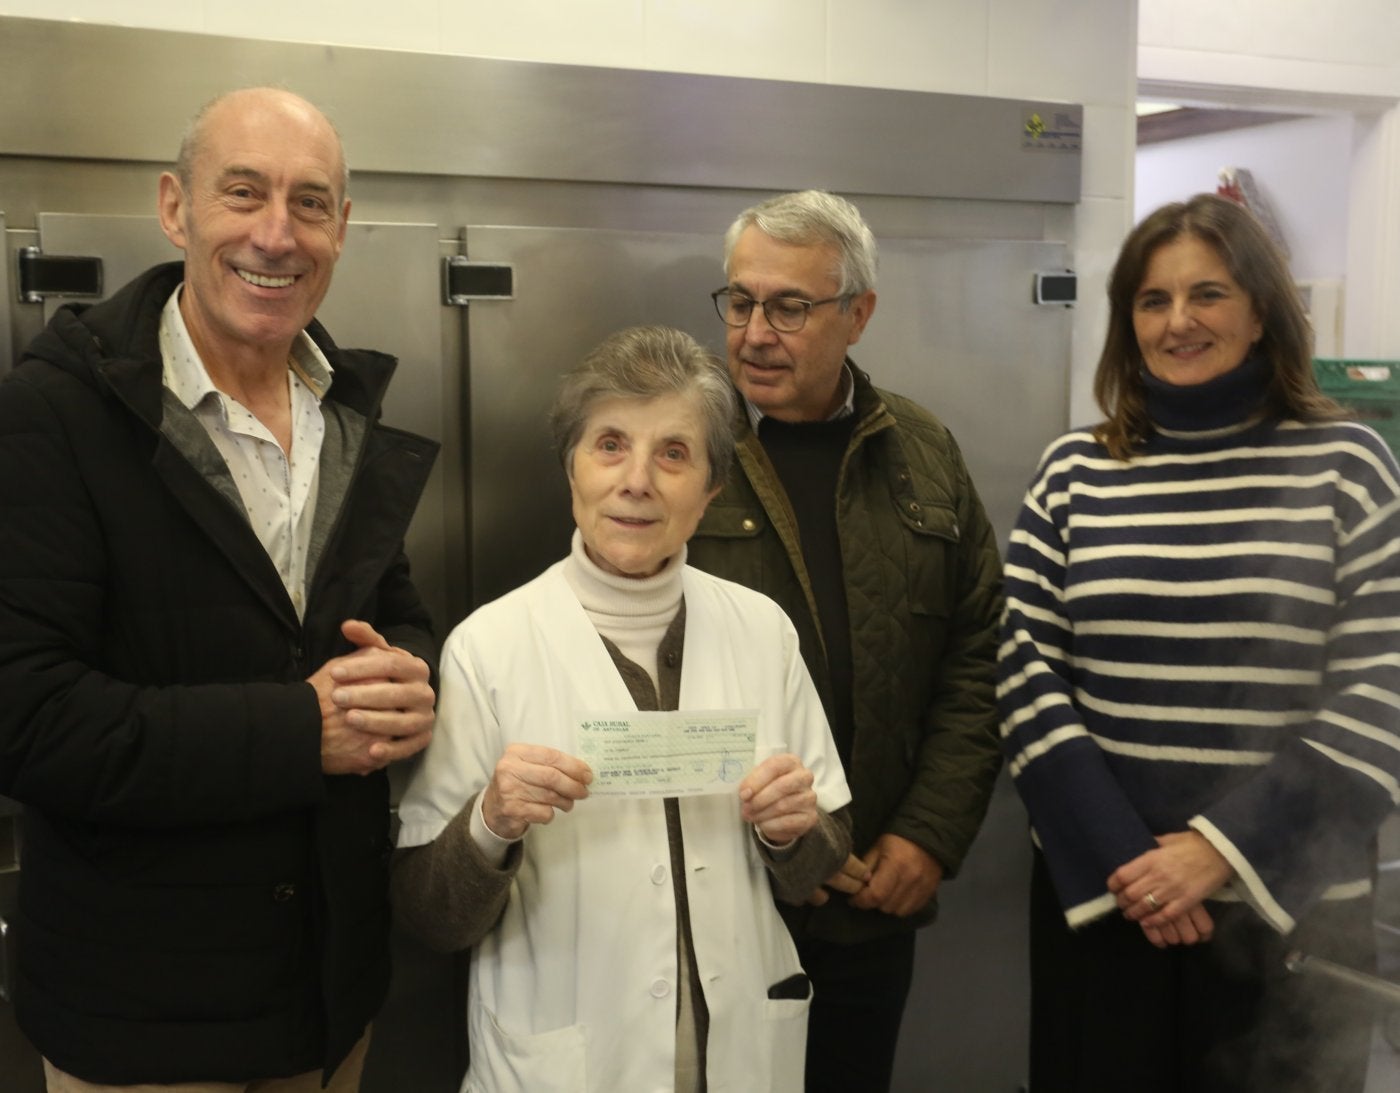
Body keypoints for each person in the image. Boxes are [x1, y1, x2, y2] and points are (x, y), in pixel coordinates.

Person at [0, 88, 439, 1091]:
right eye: (243, 193)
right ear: (175, 207)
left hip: (328, 996)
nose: (276, 235)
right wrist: (299, 731)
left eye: (311, 203)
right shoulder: (53, 416)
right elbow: (24, 716)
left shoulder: (344, 406)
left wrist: (414, 669)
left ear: (342, 227)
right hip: (147, 1025)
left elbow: (394, 606)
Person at [998, 192, 1400, 1092]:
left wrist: (1218, 850)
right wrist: (1131, 862)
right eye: (1152, 300)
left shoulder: (1350, 466)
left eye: (1208, 294)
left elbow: (1383, 690)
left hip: (1287, 913)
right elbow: (1025, 674)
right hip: (1107, 900)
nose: (1179, 321)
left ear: (1261, 310)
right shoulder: (1075, 473)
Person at [391, 325, 851, 1093]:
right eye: (610, 444)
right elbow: (430, 915)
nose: (637, 479)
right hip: (562, 1060)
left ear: (710, 489)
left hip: (741, 1059)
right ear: (571, 466)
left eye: (674, 453)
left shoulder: (762, 631)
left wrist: (792, 827)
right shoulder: (490, 646)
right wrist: (491, 821)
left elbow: (821, 862)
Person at [686, 189, 1004, 1091]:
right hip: (722, 901)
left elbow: (978, 654)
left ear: (858, 313)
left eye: (790, 307)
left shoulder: (922, 449)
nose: (754, 332)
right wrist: (791, 845)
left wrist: (930, 836)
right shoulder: (683, 444)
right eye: (741, 302)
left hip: (871, 896)